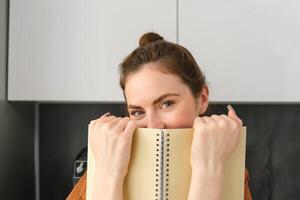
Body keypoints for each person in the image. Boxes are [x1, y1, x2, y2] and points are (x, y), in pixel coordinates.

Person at [67, 32, 252, 200]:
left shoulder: (230, 172)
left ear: (202, 99)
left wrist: (208, 170)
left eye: (167, 104)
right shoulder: (98, 173)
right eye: (138, 112)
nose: (154, 126)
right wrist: (108, 174)